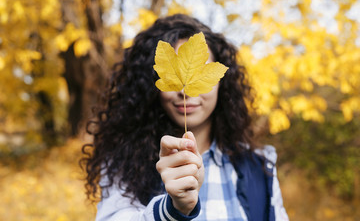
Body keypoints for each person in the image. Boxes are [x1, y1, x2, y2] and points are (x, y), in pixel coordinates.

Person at [81, 14, 289, 221]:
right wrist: (171, 210)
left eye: (202, 71)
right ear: (151, 87)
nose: (186, 93)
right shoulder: (126, 161)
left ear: (221, 84)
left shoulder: (259, 167)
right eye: (172, 82)